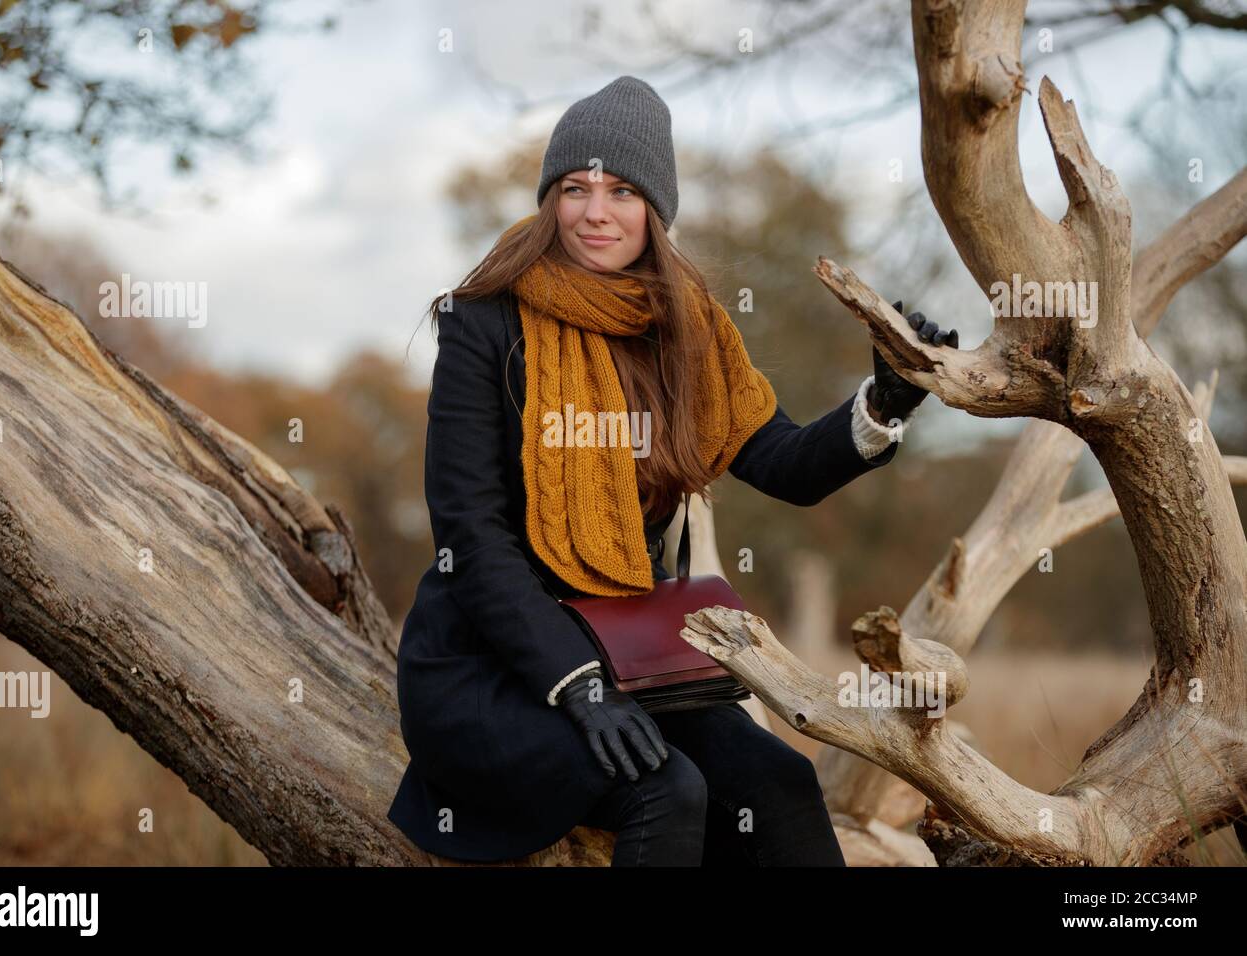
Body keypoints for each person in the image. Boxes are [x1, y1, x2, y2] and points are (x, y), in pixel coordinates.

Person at [386, 75, 957, 866]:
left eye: (622, 190)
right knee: (668, 787)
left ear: (655, 209)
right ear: (550, 197)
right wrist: (578, 685)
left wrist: (886, 400)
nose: (596, 211)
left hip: (631, 660)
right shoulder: (484, 324)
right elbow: (470, 536)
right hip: (490, 667)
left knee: (780, 780)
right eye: (575, 187)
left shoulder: (684, 330)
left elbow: (784, 462)